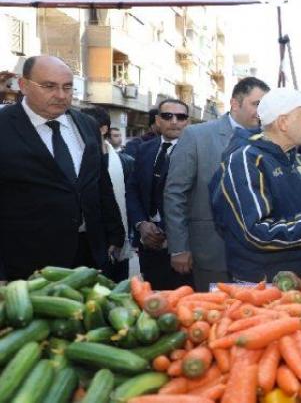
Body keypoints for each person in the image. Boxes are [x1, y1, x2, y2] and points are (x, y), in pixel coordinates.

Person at [0, 55, 124, 282]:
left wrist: (116, 235)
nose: (61, 95)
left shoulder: (86, 125)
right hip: (25, 264)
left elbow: (100, 183)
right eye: (49, 86)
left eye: (68, 87)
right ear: (23, 85)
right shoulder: (4, 126)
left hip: (90, 256)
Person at [211, 88, 301, 282]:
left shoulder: (298, 161)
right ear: (283, 122)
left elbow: (299, 217)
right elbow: (256, 233)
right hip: (263, 285)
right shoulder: (245, 161)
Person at [164, 77, 269, 291]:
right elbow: (175, 194)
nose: (261, 112)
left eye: (265, 106)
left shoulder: (269, 139)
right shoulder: (197, 135)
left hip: (258, 256)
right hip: (212, 252)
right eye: (256, 104)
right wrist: (178, 248)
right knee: (213, 316)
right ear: (235, 103)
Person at [127, 99, 194, 289]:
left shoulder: (195, 150)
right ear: (157, 120)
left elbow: (195, 199)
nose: (174, 121)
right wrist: (141, 224)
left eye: (181, 117)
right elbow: (132, 189)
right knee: (153, 301)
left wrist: (164, 231)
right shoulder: (145, 149)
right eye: (167, 116)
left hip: (183, 246)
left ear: (187, 121)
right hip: (148, 244)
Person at [82, 106, 135, 281]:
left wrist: (118, 236)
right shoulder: (75, 158)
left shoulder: (125, 163)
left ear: (103, 129)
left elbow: (130, 202)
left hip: (116, 240)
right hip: (83, 243)